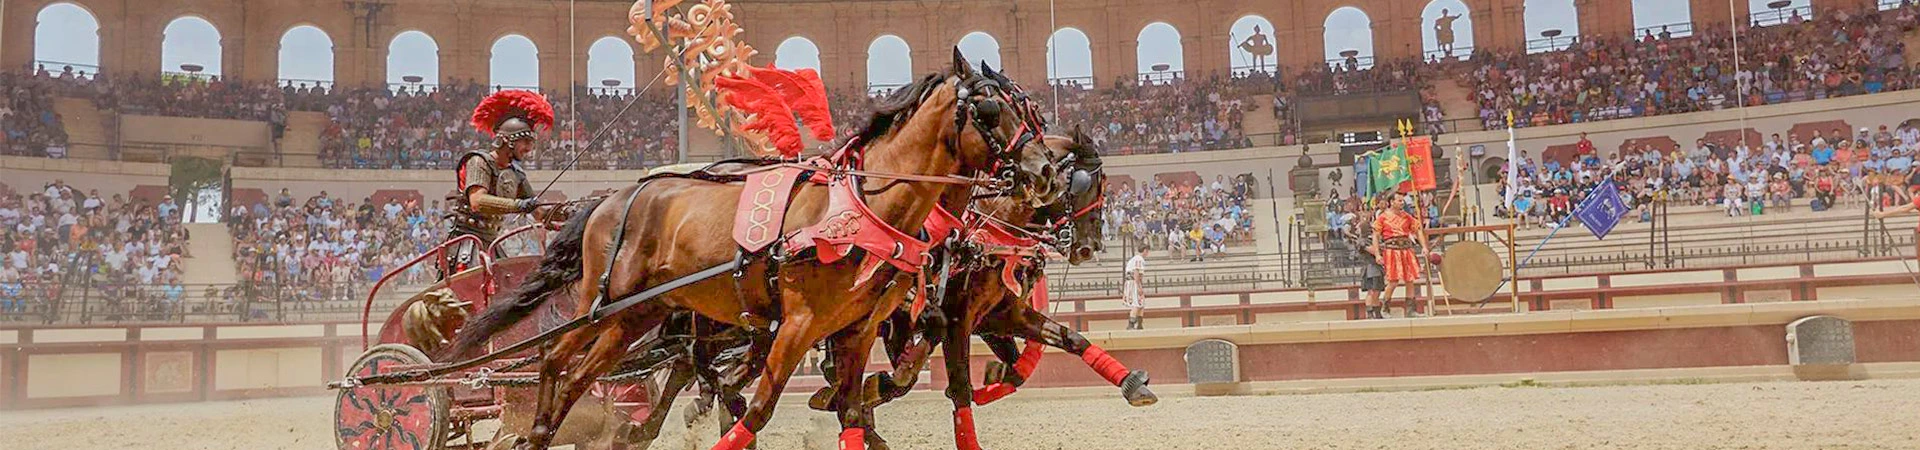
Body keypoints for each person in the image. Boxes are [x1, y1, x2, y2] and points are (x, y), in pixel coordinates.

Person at [443, 90, 558, 278]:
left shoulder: (516, 173)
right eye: (525, 142)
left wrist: (567, 214)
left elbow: (538, 212)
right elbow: (477, 201)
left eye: (531, 143)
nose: (529, 149)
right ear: (506, 141)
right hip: (467, 245)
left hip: (492, 244)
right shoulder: (479, 162)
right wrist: (518, 205)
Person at [1372, 192, 1429, 318]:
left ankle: (1410, 310)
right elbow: (1375, 236)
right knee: (1393, 281)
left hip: (1406, 249)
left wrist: (1424, 246)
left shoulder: (1407, 217)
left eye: (1402, 200)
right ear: (1392, 202)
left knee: (1410, 280)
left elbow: (1418, 230)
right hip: (1392, 250)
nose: (1402, 203)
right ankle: (1385, 308)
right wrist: (1377, 254)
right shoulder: (1382, 217)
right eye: (1399, 200)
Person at [1123, 246, 1148, 330]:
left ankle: (1139, 324)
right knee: (1136, 303)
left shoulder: (1135, 259)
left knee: (1141, 303)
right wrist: (1138, 287)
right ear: (1145, 251)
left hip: (1133, 282)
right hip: (1133, 282)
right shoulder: (1139, 259)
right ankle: (1131, 324)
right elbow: (1136, 273)